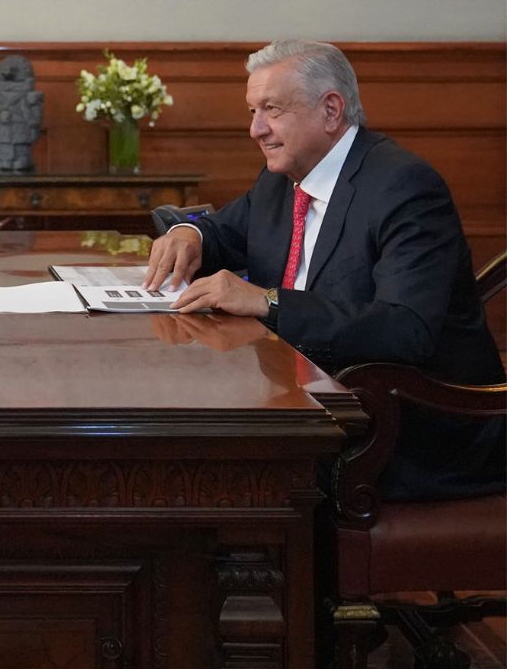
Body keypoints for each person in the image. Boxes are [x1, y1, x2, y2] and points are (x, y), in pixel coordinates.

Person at [144, 39, 504, 500]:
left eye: (271, 109)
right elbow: (224, 233)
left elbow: (405, 328)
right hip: (313, 400)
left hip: (415, 429)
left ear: (330, 111)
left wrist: (267, 301)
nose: (256, 129)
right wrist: (189, 235)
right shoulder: (282, 177)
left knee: (214, 466)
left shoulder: (404, 187)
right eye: (253, 111)